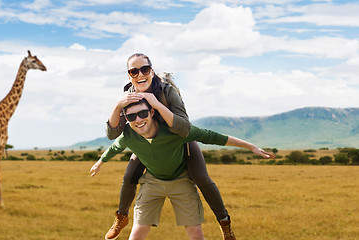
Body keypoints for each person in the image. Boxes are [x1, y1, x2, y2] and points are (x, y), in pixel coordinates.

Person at [101, 53, 261, 240]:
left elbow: (184, 128)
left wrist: (156, 104)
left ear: (151, 70)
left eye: (144, 69)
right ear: (129, 76)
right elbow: (113, 134)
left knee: (202, 178)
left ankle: (224, 223)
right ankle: (121, 218)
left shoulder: (166, 91)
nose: (139, 75)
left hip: (179, 139)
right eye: (133, 71)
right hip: (149, 144)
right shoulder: (128, 97)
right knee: (129, 176)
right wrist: (117, 106)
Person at [90, 99, 275, 240]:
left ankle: (225, 222)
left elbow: (213, 137)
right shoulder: (128, 136)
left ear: (152, 112)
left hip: (181, 180)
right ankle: (121, 218)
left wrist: (251, 147)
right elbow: (114, 147)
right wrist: (100, 162)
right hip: (152, 182)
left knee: (195, 232)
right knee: (136, 233)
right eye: (131, 117)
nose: (138, 120)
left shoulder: (174, 131)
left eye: (142, 113)